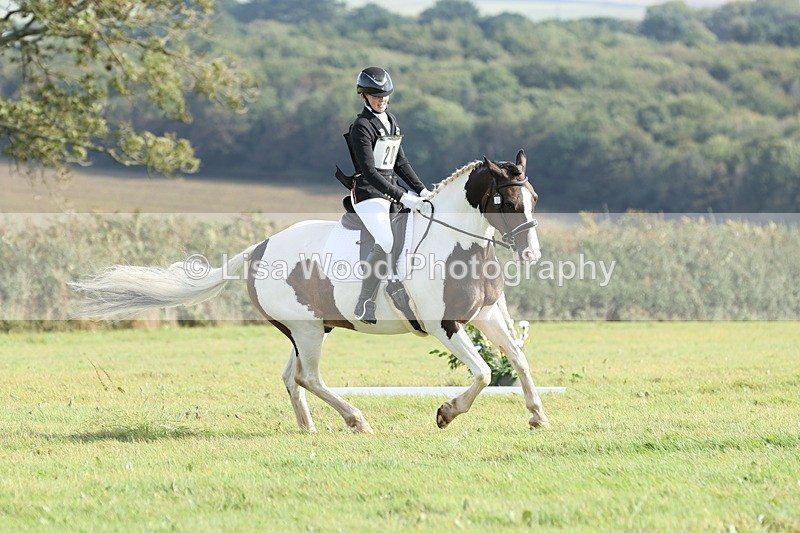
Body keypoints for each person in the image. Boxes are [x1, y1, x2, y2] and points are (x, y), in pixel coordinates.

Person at [347, 66, 432, 324]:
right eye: (375, 96)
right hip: (368, 193)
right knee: (384, 240)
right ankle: (365, 302)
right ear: (364, 97)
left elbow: (400, 163)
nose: (382, 100)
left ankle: (401, 283)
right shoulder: (361, 127)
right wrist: (405, 198)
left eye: (385, 95)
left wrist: (422, 190)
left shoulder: (391, 120)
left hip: (391, 189)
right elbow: (370, 172)